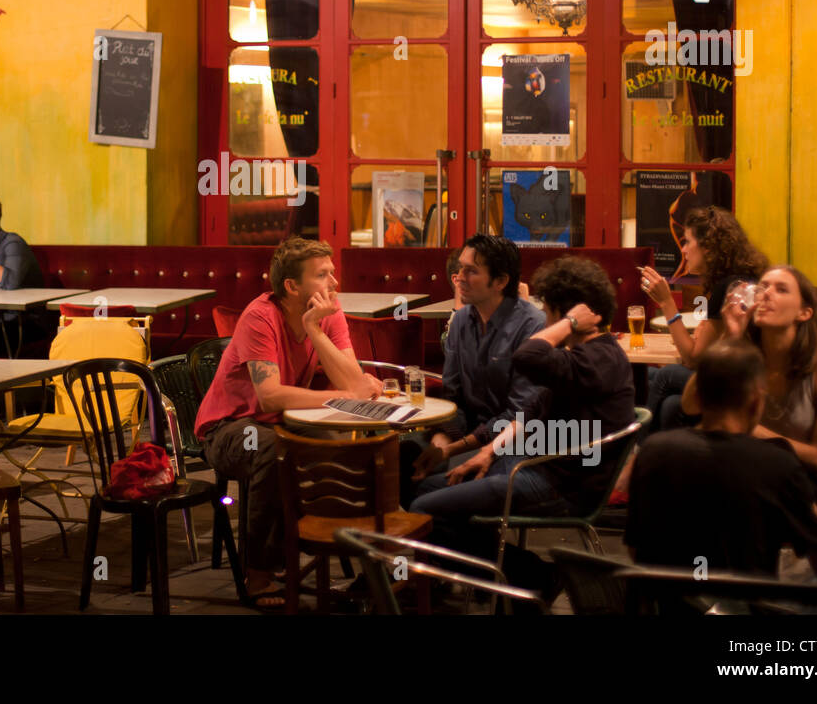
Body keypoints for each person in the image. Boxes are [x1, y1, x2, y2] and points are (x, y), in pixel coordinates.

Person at [193, 236, 382, 609]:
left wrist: (314, 328)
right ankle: (260, 573)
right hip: (231, 425)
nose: (334, 283)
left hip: (286, 419)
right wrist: (342, 398)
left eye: (332, 273)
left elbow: (354, 382)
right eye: (322, 275)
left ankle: (329, 553)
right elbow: (270, 396)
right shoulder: (260, 316)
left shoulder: (328, 311)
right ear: (292, 286)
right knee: (273, 450)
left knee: (338, 445)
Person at [410, 256, 635, 559]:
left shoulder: (597, 359)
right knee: (425, 491)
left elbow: (527, 355)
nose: (544, 318)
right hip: (532, 465)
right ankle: (468, 581)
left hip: (562, 487)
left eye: (548, 309)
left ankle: (529, 577)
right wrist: (487, 453)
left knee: (424, 509)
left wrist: (567, 322)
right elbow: (528, 415)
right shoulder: (580, 356)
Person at [627, 339, 817, 584]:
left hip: (665, 602)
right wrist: (810, 506)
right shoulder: (778, 465)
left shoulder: (652, 452)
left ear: (696, 397)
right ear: (755, 403)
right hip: (745, 605)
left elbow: (636, 551)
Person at [682, 265, 817, 528]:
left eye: (781, 289)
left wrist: (746, 428)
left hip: (807, 480)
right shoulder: (744, 355)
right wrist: (730, 339)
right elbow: (691, 404)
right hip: (749, 470)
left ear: (804, 312)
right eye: (762, 288)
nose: (765, 294)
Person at [405, 235, 545, 505]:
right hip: (469, 434)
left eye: (471, 271)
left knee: (430, 490)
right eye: (459, 270)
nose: (459, 278)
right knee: (396, 462)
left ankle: (472, 543)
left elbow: (521, 415)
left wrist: (453, 450)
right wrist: (441, 439)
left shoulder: (532, 327)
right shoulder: (460, 322)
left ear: (501, 281)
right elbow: (452, 396)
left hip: (515, 442)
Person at [638, 206, 768, 431]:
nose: (684, 249)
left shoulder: (728, 287)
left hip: (739, 380)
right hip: (744, 372)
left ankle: (637, 451)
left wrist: (667, 302)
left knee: (667, 375)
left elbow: (693, 359)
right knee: (652, 383)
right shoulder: (740, 279)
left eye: (688, 242)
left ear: (708, 248)